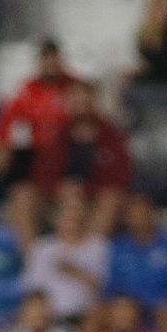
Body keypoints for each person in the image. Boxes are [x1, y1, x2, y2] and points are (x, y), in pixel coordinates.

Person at [0, 41, 87, 248]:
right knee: (22, 198)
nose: (50, 64)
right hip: (36, 180)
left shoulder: (76, 91)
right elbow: (3, 145)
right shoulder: (24, 97)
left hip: (71, 178)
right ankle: (35, 262)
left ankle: (76, 261)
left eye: (54, 59)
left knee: (73, 196)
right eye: (45, 59)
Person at [19, 189, 110, 326]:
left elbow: (104, 288)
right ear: (57, 219)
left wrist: (75, 271)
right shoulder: (42, 248)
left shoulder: (98, 246)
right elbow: (31, 288)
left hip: (85, 318)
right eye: (66, 215)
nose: (71, 220)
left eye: (75, 214)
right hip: (49, 319)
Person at [56, 81, 132, 237]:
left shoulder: (112, 134)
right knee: (22, 195)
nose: (81, 107)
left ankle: (91, 249)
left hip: (97, 198)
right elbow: (43, 173)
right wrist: (60, 187)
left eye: (86, 101)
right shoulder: (58, 133)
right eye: (77, 102)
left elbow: (119, 177)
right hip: (61, 199)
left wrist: (84, 190)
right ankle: (37, 252)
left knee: (110, 199)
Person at [107, 192, 167, 310]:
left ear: (151, 214)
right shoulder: (118, 247)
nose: (138, 219)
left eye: (142, 214)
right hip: (128, 307)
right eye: (133, 215)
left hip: (162, 306)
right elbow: (111, 285)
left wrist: (154, 301)